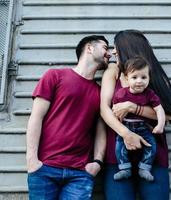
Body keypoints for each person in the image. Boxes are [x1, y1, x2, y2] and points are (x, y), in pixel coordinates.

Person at [26, 35, 111, 200]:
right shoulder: (55, 76)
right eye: (105, 48)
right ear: (89, 48)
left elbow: (101, 130)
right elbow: (36, 118)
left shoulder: (101, 92)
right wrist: (32, 160)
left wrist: (97, 163)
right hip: (45, 168)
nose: (109, 54)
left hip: (80, 173)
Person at [100, 30, 171, 200]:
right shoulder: (113, 70)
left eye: (116, 48)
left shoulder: (154, 74)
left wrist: (132, 107)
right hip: (118, 155)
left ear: (128, 48)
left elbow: (169, 115)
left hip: (153, 154)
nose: (114, 52)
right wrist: (126, 134)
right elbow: (104, 109)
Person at [113, 56, 166, 182]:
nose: (139, 81)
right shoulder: (121, 94)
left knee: (151, 145)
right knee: (119, 146)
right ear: (127, 78)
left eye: (143, 77)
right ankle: (124, 168)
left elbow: (159, 109)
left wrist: (160, 125)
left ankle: (145, 168)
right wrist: (122, 131)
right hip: (126, 126)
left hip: (143, 127)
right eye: (134, 77)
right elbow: (115, 111)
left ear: (149, 78)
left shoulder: (150, 94)